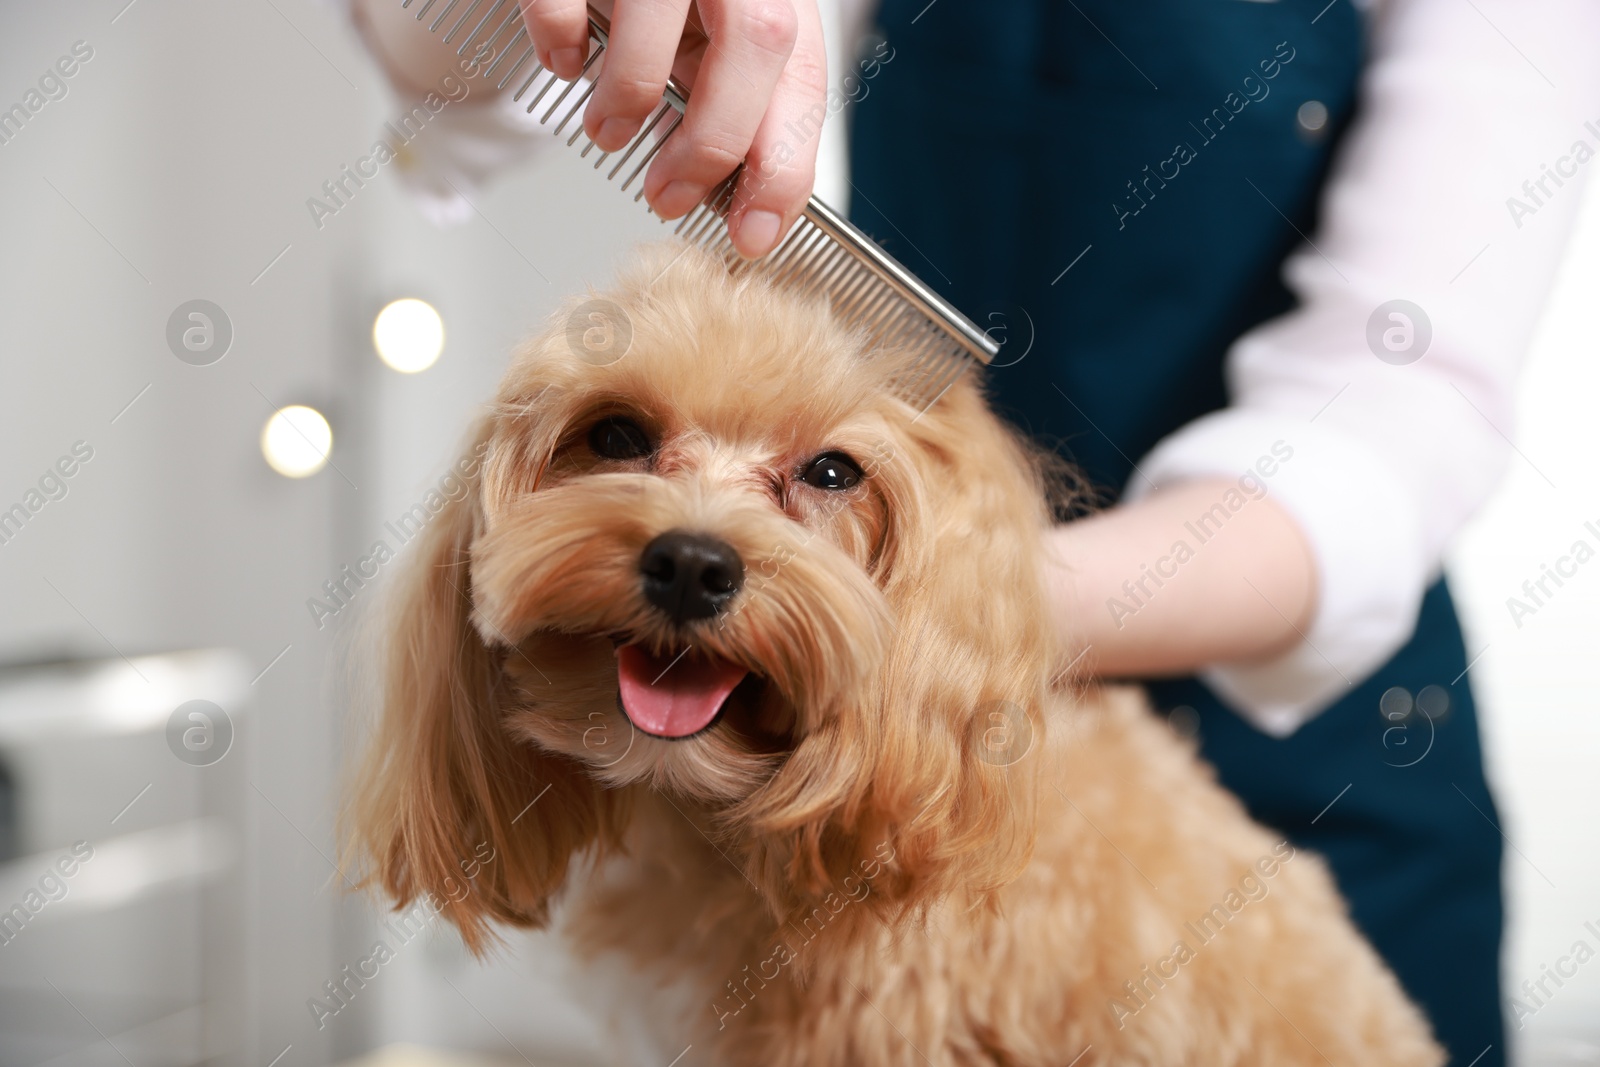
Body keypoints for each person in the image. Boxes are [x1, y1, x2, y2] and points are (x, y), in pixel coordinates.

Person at [351, 1, 1600, 1061]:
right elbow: (451, 70)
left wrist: (938, 612)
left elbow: (1391, 430)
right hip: (800, 725)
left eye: (820, 468)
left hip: (1327, 766)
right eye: (624, 441)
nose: (686, 533)